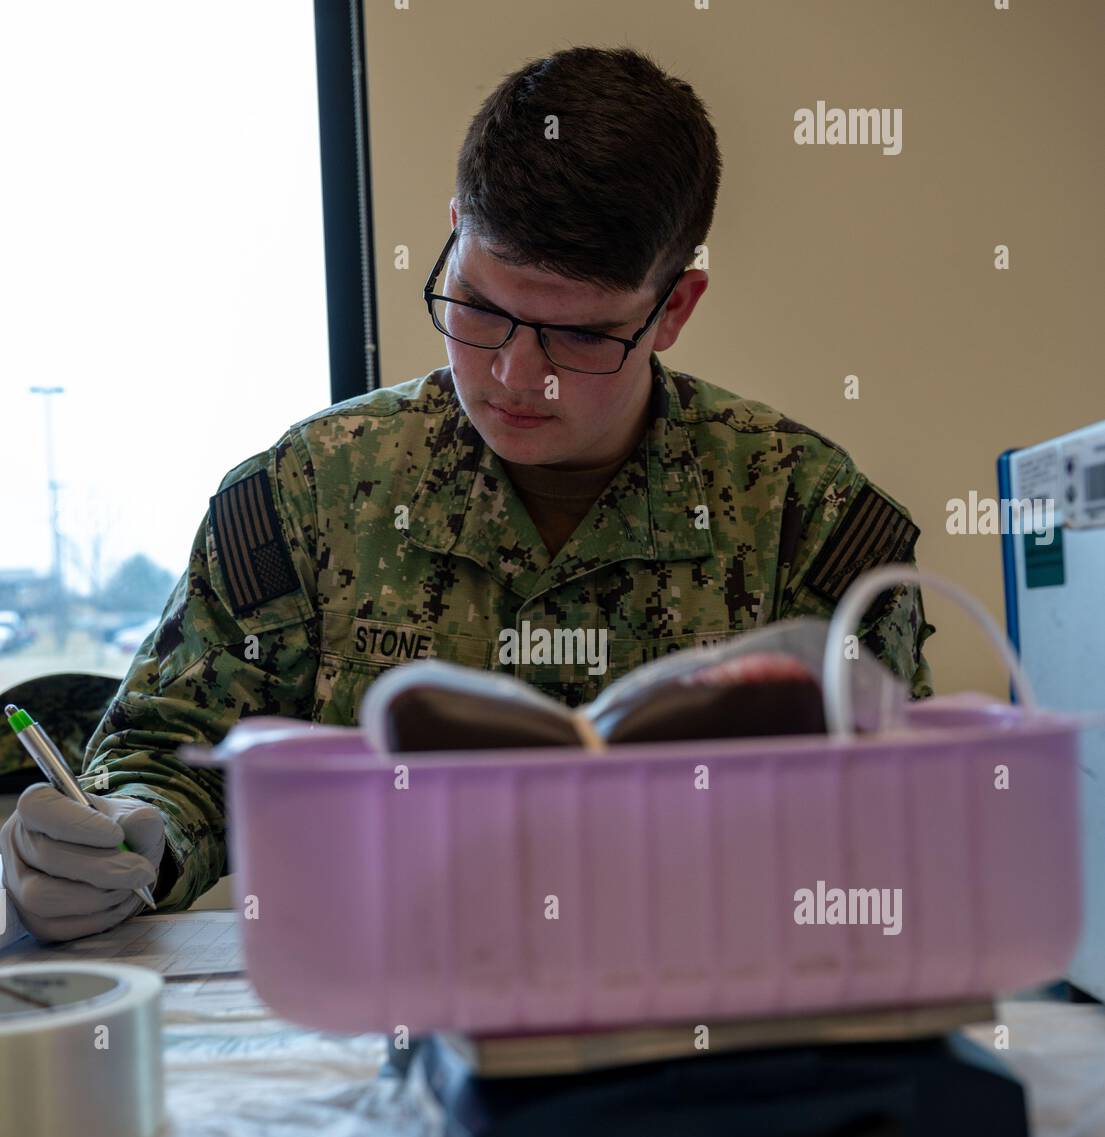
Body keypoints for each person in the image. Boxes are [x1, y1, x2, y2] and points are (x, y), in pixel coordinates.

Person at [0, 46, 934, 942]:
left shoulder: (804, 519)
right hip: (371, 1018)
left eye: (579, 338)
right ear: (453, 236)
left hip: (698, 1027)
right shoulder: (307, 493)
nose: (516, 376)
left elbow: (896, 822)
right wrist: (129, 835)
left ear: (674, 309)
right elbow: (173, 748)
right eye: (479, 309)